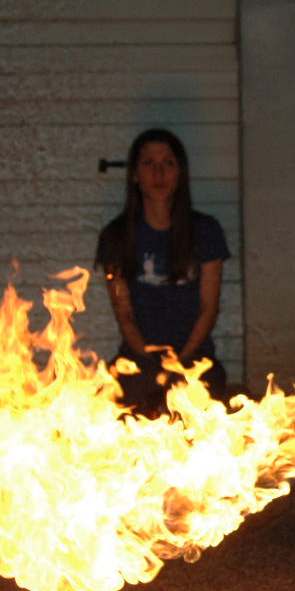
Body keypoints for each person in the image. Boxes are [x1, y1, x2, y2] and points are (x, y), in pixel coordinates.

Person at [95, 128, 231, 415]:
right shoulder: (116, 237)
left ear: (180, 173)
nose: (159, 173)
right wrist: (150, 361)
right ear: (134, 175)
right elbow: (124, 314)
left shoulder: (206, 231)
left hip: (195, 359)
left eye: (168, 163)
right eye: (148, 164)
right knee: (127, 400)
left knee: (200, 400)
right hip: (137, 361)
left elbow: (209, 308)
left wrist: (182, 361)